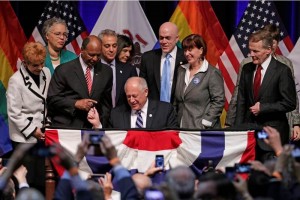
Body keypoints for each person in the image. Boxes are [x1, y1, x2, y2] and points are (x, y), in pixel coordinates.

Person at [226, 24, 300, 142]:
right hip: (249, 132)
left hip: (273, 133)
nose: (251, 55)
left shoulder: (282, 70)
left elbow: (290, 103)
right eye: (250, 50)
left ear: (268, 50)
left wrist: (263, 107)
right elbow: (241, 101)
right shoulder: (246, 68)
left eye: (256, 51)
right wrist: (238, 129)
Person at [6, 42, 51, 193]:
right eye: (35, 65)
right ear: (25, 63)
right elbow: (14, 112)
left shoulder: (46, 73)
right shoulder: (16, 81)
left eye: (41, 63)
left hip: (43, 134)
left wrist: (47, 125)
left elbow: (46, 102)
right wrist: (33, 130)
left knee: (42, 178)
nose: (39, 68)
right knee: (28, 178)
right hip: (24, 137)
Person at [47, 35, 112, 128]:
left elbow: (106, 104)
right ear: (82, 50)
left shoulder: (106, 71)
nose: (95, 59)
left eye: (98, 55)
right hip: (68, 128)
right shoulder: (64, 70)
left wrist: (100, 125)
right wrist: (75, 104)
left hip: (93, 129)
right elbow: (52, 99)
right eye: (91, 54)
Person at [174, 34, 225, 129]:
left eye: (190, 49)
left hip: (202, 130)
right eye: (185, 50)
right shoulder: (181, 70)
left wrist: (206, 123)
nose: (186, 53)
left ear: (201, 50)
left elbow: (218, 101)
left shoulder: (212, 73)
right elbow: (177, 100)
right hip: (181, 127)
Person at [87, 77, 178, 129]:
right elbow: (110, 141)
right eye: (128, 96)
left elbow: (173, 137)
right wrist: (97, 125)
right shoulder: (116, 114)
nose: (131, 100)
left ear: (146, 92)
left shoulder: (164, 111)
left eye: (134, 96)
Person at [140, 22, 187, 104]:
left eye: (168, 38)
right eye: (161, 38)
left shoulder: (186, 57)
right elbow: (142, 86)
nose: (164, 41)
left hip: (178, 110)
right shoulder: (148, 58)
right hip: (154, 110)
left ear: (176, 39)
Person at [98, 29, 137, 108]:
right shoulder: (93, 66)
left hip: (121, 116)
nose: (111, 50)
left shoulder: (129, 69)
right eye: (107, 46)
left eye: (114, 46)